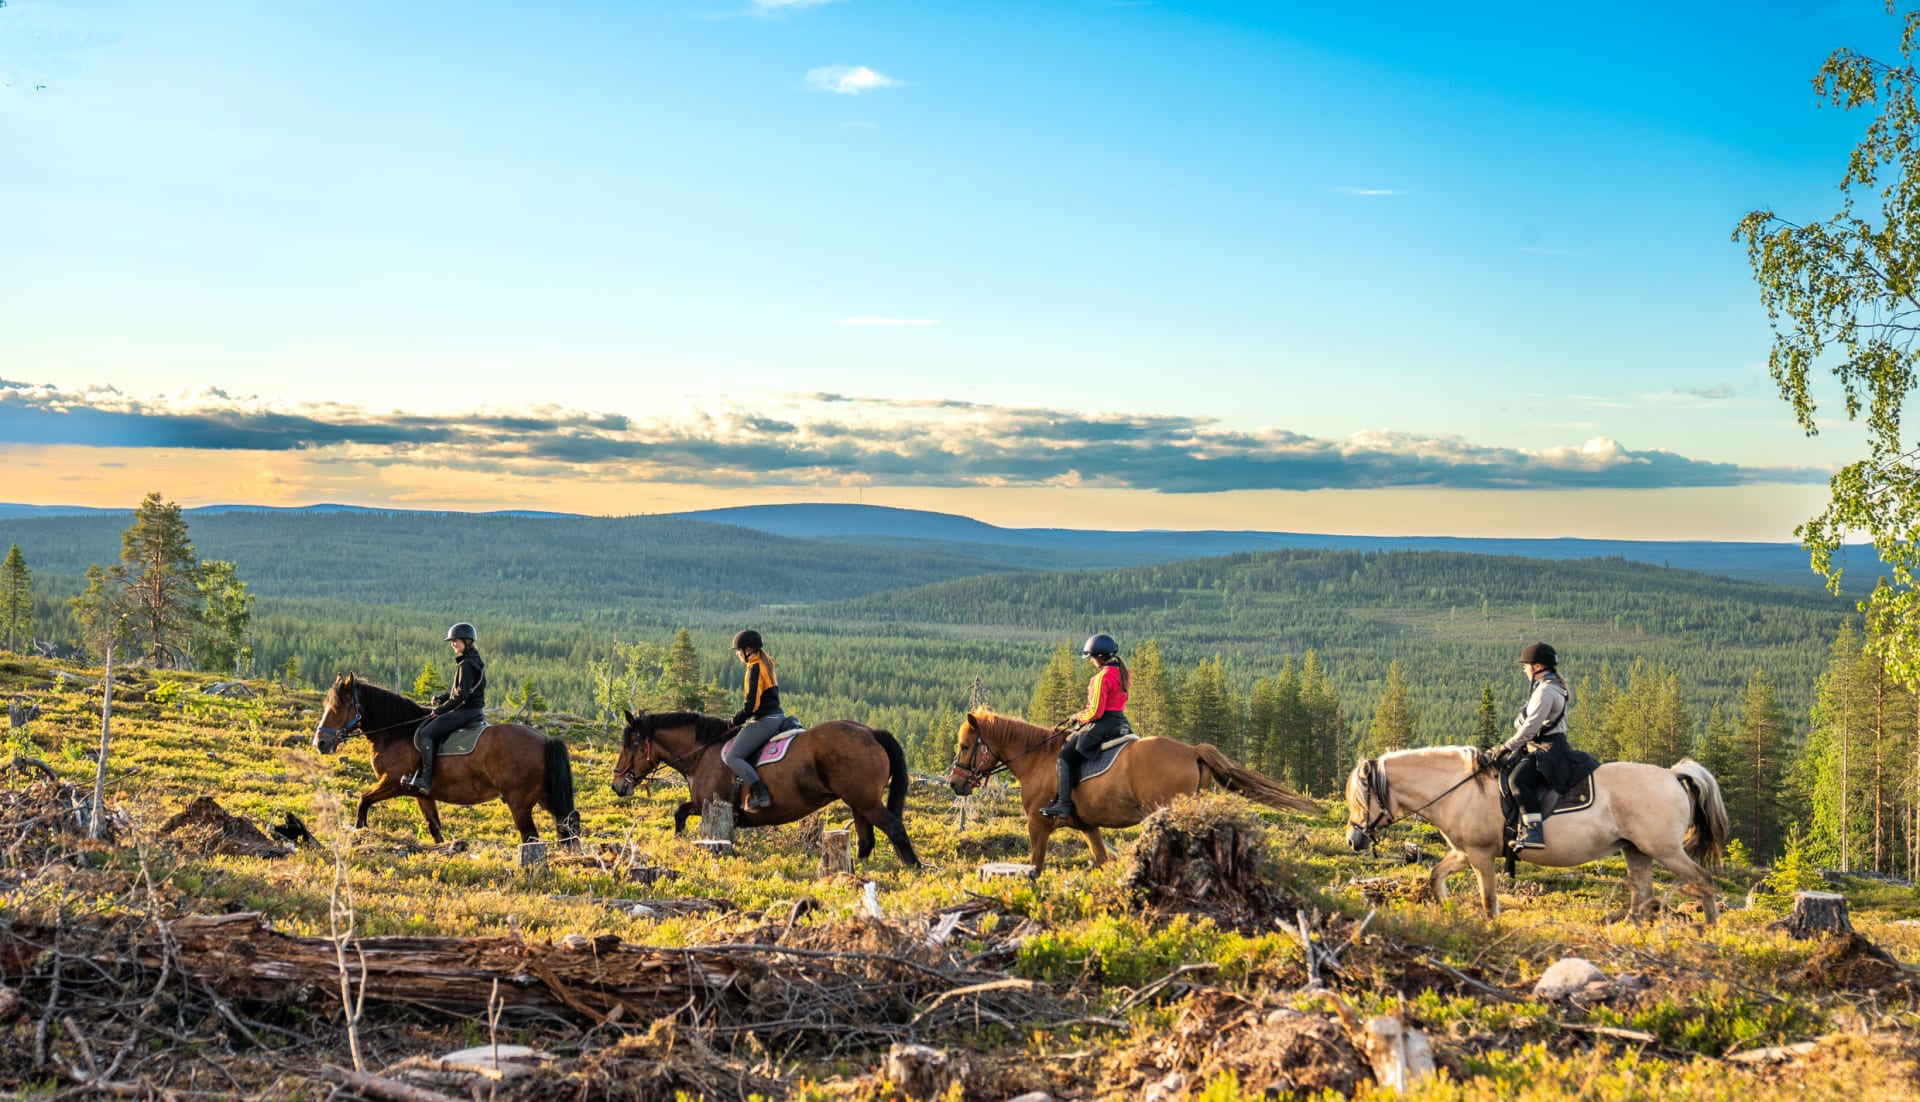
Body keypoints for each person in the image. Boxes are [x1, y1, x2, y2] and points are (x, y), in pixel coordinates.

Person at [1041, 633, 1131, 820]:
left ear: (1100, 657)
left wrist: (1077, 717)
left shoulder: (1102, 678)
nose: (1091, 660)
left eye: (1092, 657)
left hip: (1103, 722)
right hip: (1120, 720)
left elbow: (1096, 712)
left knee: (1065, 756)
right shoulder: (1123, 673)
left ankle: (1064, 804)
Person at [1493, 641, 1572, 849]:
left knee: (1517, 780)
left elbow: (1531, 726)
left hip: (1547, 749)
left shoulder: (1545, 691)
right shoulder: (1552, 687)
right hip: (1545, 746)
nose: (1524, 670)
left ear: (1537, 667)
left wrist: (1507, 746)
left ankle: (1535, 832)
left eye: (1526, 666)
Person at [404, 622, 486, 793]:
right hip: (472, 710)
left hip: (466, 712)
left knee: (426, 733)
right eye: (452, 641)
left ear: (466, 641)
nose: (452, 644)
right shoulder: (472, 660)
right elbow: (461, 690)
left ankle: (426, 779)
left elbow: (461, 696)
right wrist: (442, 698)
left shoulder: (466, 664)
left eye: (455, 641)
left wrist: (439, 710)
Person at [724, 629, 784, 810]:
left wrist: (734, 721)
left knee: (732, 757)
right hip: (777, 716)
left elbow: (752, 706)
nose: (737, 654)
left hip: (765, 720)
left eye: (738, 650)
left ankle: (760, 794)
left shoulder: (755, 668)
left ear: (747, 650)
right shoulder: (765, 663)